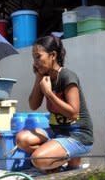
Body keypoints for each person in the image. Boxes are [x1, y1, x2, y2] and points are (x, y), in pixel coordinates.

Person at [16, 35, 93, 172]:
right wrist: (38, 77)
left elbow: (74, 113)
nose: (35, 62)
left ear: (53, 55)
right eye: (34, 58)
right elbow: (33, 105)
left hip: (78, 135)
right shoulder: (45, 77)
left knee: (37, 159)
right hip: (57, 133)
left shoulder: (67, 76)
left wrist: (50, 94)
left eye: (38, 57)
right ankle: (56, 166)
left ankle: (72, 158)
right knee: (21, 139)